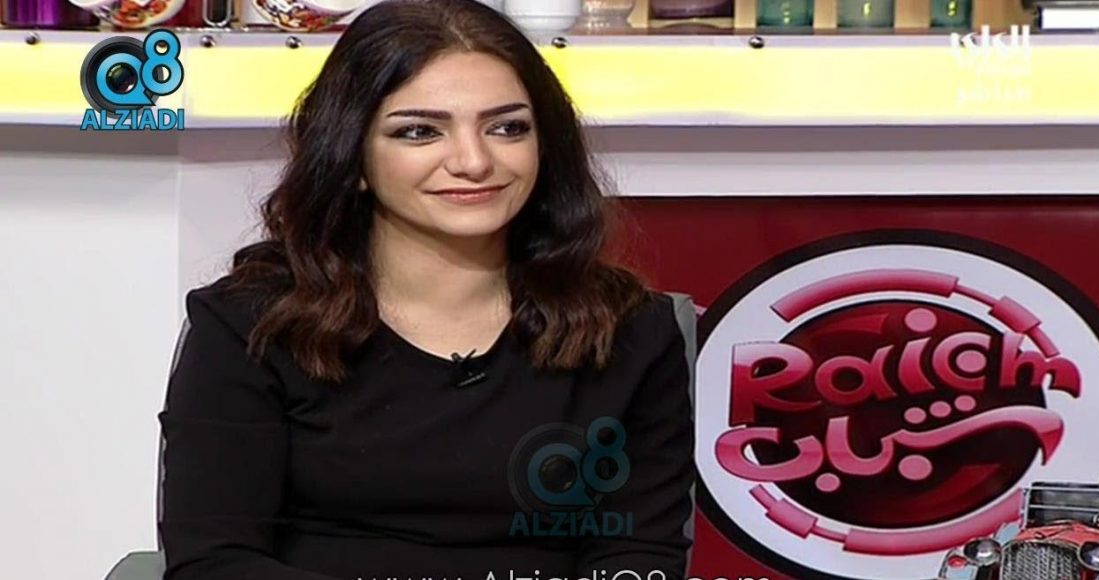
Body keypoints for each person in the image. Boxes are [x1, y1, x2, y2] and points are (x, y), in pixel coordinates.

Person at [156, 0, 695, 579]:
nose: (474, 161)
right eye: (420, 131)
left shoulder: (630, 330)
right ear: (353, 156)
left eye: (507, 127)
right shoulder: (250, 326)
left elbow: (637, 557)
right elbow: (215, 562)